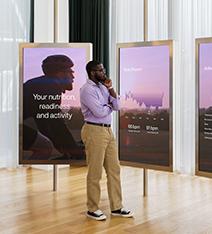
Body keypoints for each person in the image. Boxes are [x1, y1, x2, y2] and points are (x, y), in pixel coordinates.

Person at [80, 60, 134, 221]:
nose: (104, 72)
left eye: (103, 69)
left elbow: (117, 106)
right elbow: (98, 112)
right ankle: (92, 209)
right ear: (92, 73)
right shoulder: (86, 90)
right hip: (94, 131)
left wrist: (111, 89)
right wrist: (109, 106)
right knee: (95, 172)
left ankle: (117, 207)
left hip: (108, 131)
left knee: (114, 170)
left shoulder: (104, 87)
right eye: (101, 70)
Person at [23, 54, 85, 160]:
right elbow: (56, 125)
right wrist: (76, 152)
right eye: (71, 72)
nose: (73, 76)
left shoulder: (42, 85)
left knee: (45, 144)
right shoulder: (49, 88)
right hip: (6, 125)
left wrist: (66, 148)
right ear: (60, 74)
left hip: (8, 124)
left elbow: (46, 127)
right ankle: (29, 175)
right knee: (44, 147)